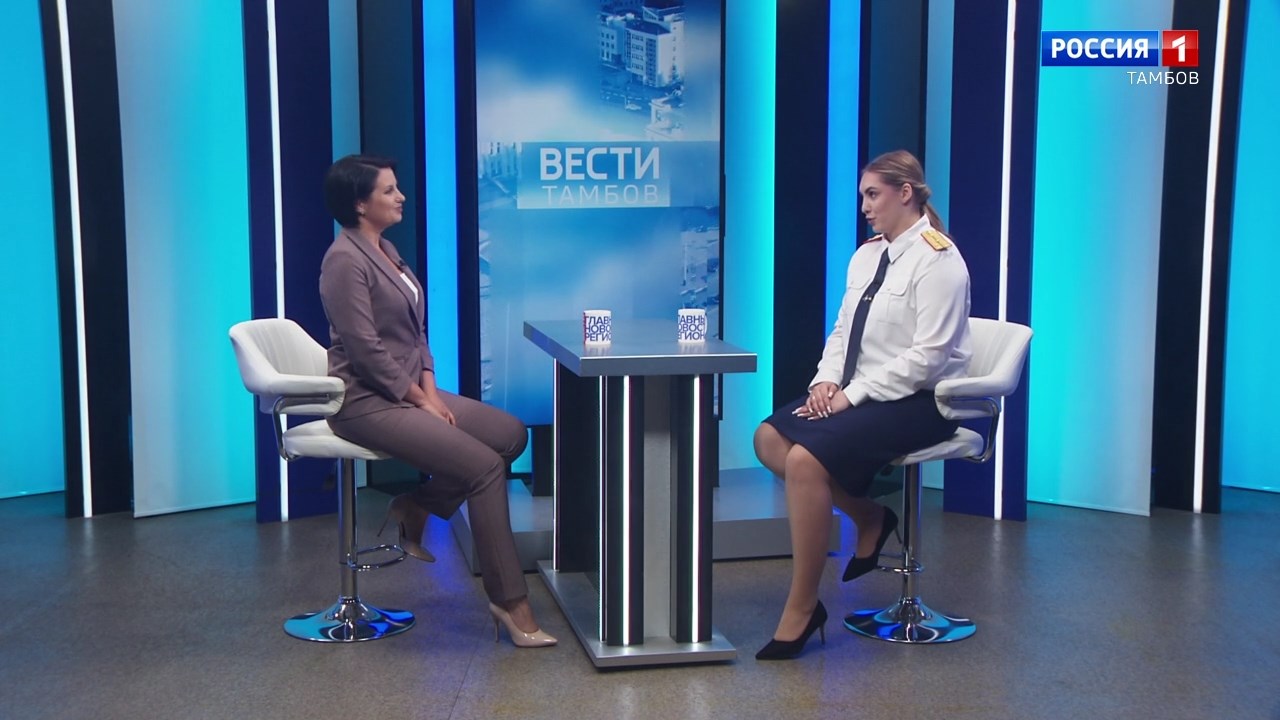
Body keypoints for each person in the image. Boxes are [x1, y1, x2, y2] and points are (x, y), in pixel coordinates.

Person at [318, 154, 556, 648]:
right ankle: (510, 601)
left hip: (408, 389)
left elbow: (416, 332)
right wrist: (420, 401)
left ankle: (418, 505)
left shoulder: (387, 250)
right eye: (388, 190)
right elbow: (365, 351)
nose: (400, 196)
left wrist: (428, 388)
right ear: (360, 204)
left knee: (509, 435)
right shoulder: (343, 261)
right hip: (365, 401)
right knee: (483, 468)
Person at [752, 149, 971, 660]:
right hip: (864, 392)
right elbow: (844, 330)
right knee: (770, 438)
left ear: (905, 193)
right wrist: (826, 382)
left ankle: (803, 607)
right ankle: (869, 516)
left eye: (873, 195)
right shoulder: (867, 255)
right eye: (862, 196)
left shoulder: (940, 261)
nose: (865, 207)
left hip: (921, 402)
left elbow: (928, 359)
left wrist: (853, 395)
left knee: (805, 461)